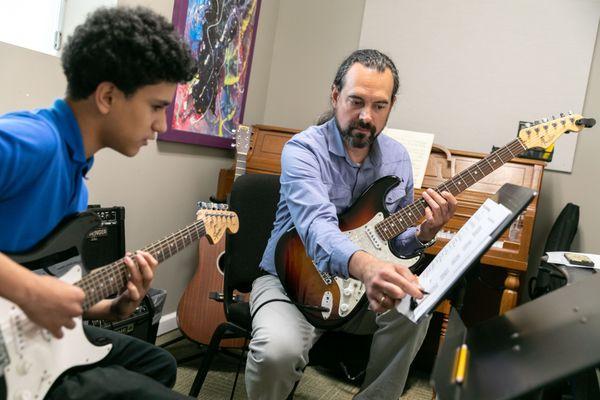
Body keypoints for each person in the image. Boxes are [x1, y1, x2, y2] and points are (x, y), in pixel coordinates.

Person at [0, 7, 196, 399]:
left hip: (17, 337)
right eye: (157, 106)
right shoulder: (33, 142)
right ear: (107, 96)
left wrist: (113, 308)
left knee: (158, 363)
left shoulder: (77, 182)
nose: (161, 126)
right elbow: (31, 291)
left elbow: (45, 290)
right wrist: (30, 291)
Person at [245, 49, 458, 399]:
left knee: (417, 305)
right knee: (275, 353)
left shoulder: (397, 159)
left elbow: (393, 242)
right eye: (356, 101)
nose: (365, 116)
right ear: (335, 95)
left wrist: (423, 233)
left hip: (361, 296)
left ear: (391, 106)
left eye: (379, 106)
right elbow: (317, 227)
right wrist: (368, 267)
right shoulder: (303, 150)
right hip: (292, 283)